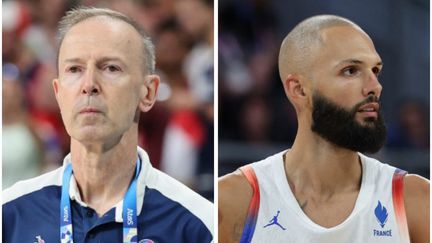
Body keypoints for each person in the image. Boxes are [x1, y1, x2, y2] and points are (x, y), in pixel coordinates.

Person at [3, 7, 213, 243]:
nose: (89, 84)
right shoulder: (8, 215)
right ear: (58, 92)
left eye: (111, 68)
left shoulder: (201, 227)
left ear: (148, 92)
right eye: (74, 69)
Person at [219, 15, 429, 243]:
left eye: (375, 70)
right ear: (298, 90)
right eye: (351, 70)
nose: (375, 86)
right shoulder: (235, 200)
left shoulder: (416, 200)